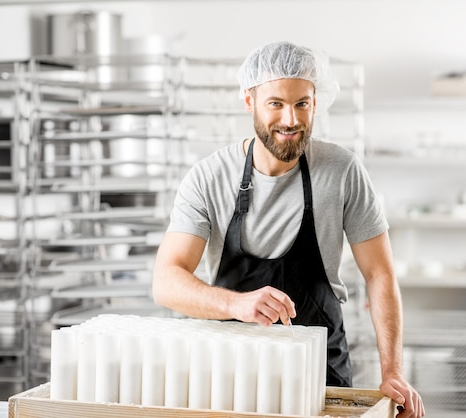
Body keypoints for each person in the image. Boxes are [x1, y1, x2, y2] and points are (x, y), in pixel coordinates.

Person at [152, 41, 424, 417]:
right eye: (276, 104)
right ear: (250, 102)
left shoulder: (342, 170)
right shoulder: (209, 177)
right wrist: (237, 303)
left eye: (302, 104)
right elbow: (166, 281)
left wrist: (393, 372)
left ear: (316, 102)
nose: (291, 120)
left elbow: (380, 274)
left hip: (320, 374)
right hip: (232, 373)